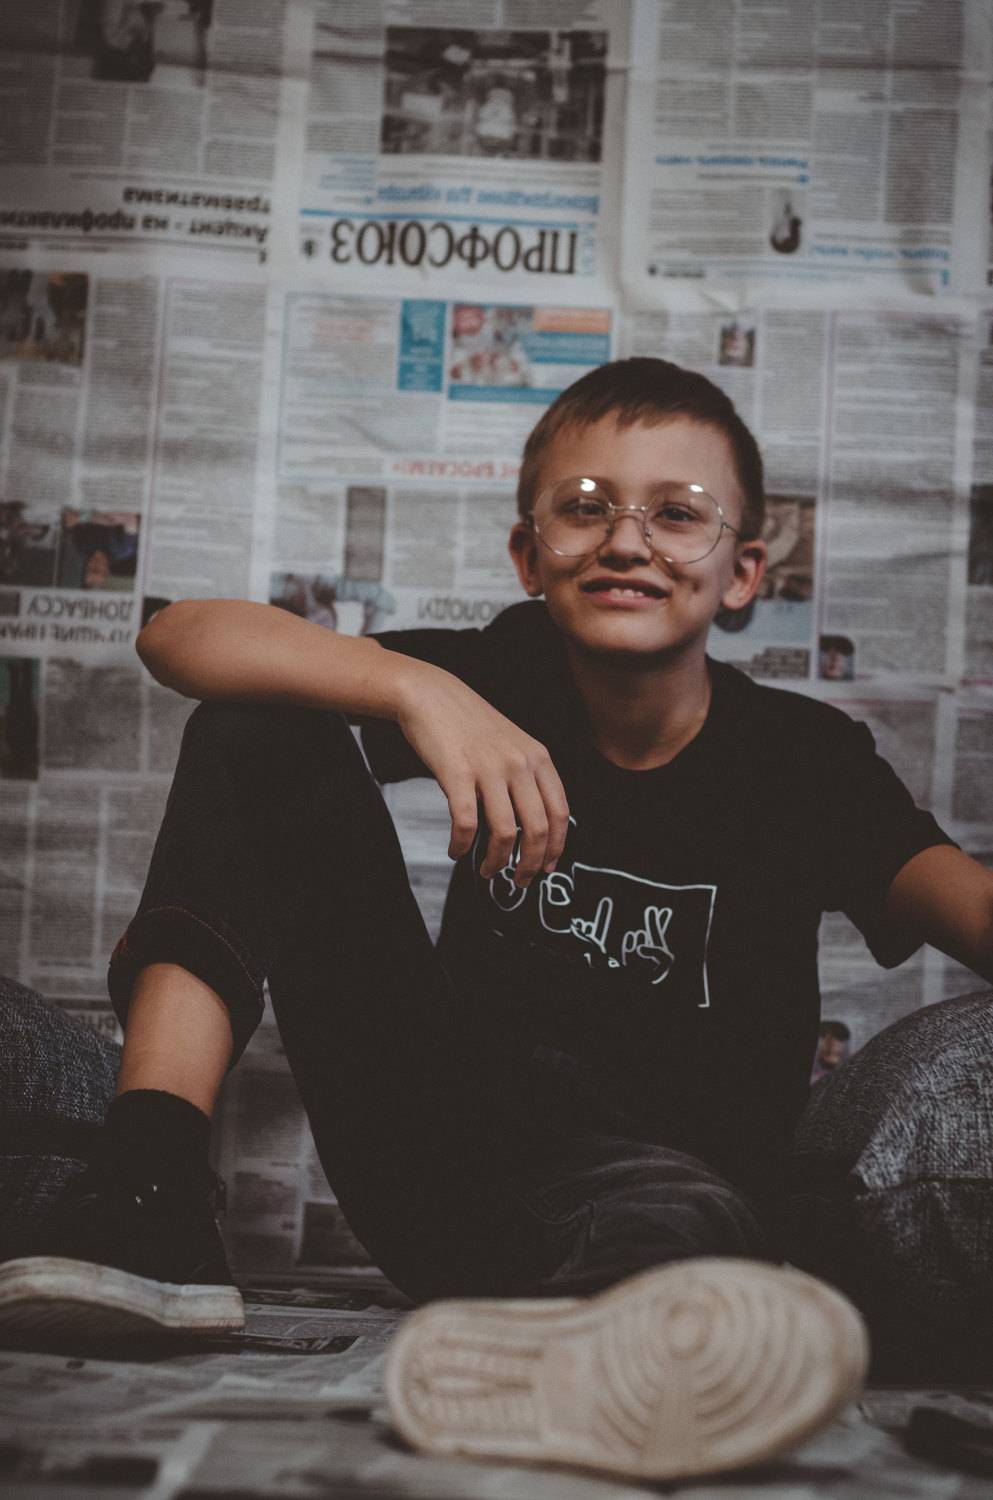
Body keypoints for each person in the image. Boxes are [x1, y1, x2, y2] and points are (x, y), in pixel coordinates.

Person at [3, 358, 992, 1482]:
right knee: (260, 719)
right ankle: (150, 1191)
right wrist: (417, 690)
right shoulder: (499, 673)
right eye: (585, 508)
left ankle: (586, 1365)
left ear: (743, 572)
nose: (626, 541)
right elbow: (176, 636)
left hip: (666, 1194)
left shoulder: (803, 761)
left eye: (678, 514)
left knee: (690, 1221)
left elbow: (963, 901)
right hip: (439, 1152)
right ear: (529, 556)